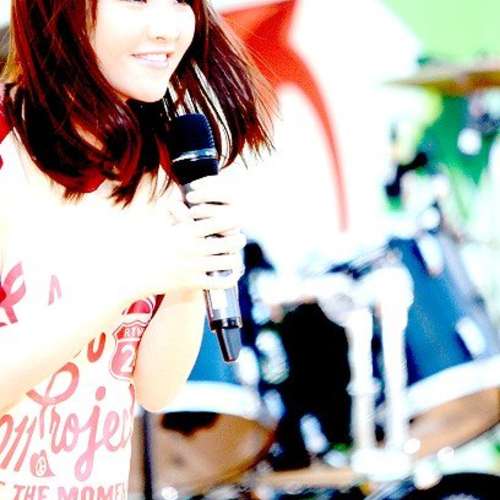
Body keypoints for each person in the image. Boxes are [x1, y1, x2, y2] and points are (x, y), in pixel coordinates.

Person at [0, 0, 272, 497]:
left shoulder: (155, 164)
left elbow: (155, 389)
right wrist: (129, 279)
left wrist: (190, 271)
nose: (167, 28)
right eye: (136, 0)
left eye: (180, 1)